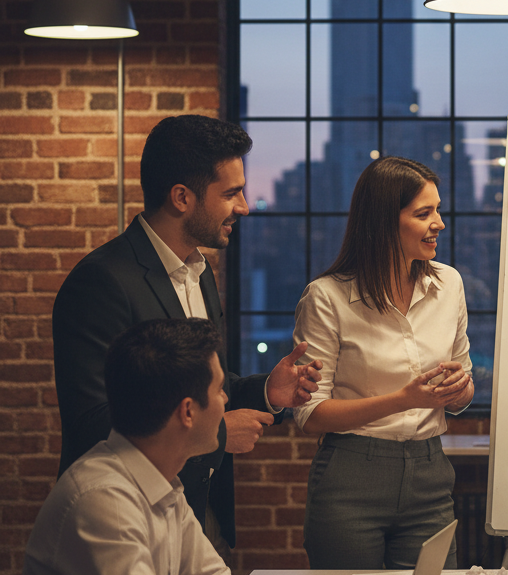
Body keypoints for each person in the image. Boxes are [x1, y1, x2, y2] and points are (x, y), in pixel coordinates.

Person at [51, 115, 322, 554]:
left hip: (199, 517)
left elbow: (200, 390)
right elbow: (92, 423)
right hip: (125, 520)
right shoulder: (101, 282)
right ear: (182, 197)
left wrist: (267, 391)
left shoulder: (199, 274)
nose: (245, 206)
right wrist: (216, 437)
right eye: (231, 193)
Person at [292, 156, 474, 569]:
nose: (439, 223)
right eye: (424, 213)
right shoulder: (326, 297)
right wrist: (403, 399)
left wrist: (459, 390)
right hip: (351, 479)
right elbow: (310, 413)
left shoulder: (450, 285)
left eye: (438, 210)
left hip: (431, 474)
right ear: (383, 222)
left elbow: (463, 387)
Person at [25, 319, 234, 575]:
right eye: (220, 389)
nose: (225, 400)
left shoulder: (164, 484)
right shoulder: (105, 501)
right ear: (187, 411)